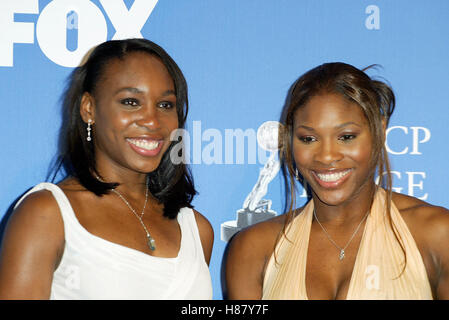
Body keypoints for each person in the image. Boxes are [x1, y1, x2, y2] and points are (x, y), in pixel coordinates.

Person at [0, 38, 213, 299]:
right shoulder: (46, 214)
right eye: (131, 102)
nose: (152, 120)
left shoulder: (197, 230)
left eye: (165, 105)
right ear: (89, 109)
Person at [225, 62, 449, 299]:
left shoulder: (436, 234)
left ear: (380, 131)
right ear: (290, 141)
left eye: (346, 136)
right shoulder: (253, 249)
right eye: (309, 138)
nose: (327, 156)